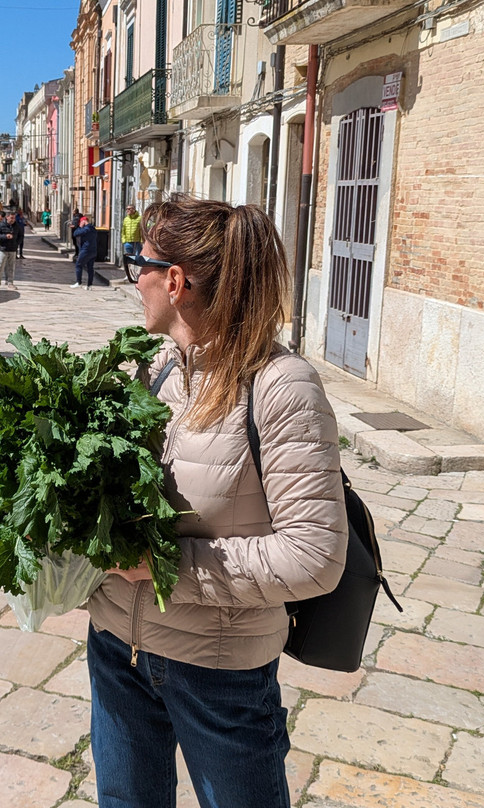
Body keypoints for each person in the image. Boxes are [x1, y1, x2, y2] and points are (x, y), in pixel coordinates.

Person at [85, 194, 348, 808]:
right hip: (117, 650)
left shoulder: (282, 386)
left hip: (218, 671)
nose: (135, 281)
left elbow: (314, 556)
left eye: (138, 264)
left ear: (174, 281)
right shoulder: (155, 369)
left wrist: (163, 569)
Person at [0, 212, 19, 290]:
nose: (13, 220)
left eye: (14, 218)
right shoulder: (1, 225)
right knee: (0, 265)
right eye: (11, 218)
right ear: (7, 217)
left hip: (13, 249)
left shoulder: (16, 226)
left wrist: (17, 243)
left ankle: (10, 282)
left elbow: (21, 235)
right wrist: (5, 236)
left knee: (11, 266)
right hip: (3, 248)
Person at [71, 215, 97, 289]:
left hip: (86, 250)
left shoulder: (86, 229)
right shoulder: (93, 228)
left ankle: (79, 282)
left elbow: (75, 233)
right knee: (90, 267)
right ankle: (89, 285)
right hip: (93, 250)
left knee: (78, 264)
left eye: (80, 222)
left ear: (83, 222)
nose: (79, 224)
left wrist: (80, 227)